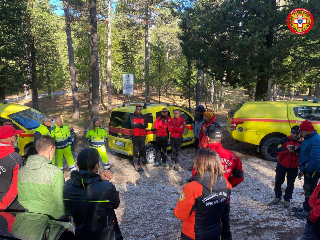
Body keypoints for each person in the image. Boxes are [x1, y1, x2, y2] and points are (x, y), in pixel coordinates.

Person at [63, 148, 122, 240]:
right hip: (104, 236)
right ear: (96, 166)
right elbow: (115, 203)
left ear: (77, 164)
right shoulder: (106, 187)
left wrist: (100, 181)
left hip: (81, 235)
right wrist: (103, 181)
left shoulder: (67, 187)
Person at [174, 148, 231, 240]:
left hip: (193, 234)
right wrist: (226, 232)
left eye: (196, 159)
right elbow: (225, 212)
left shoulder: (192, 188)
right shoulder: (226, 184)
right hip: (215, 232)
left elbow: (181, 214)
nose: (194, 161)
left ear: (201, 164)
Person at [203, 123, 244, 240]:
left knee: (207, 225)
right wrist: (228, 185)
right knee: (225, 222)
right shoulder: (232, 156)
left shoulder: (202, 155)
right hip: (223, 196)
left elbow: (195, 177)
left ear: (208, 138)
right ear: (221, 138)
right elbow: (239, 176)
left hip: (205, 197)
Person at [17, 136, 66, 219]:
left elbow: (21, 199)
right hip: (48, 221)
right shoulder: (55, 172)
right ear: (51, 148)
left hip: (26, 219)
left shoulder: (22, 170)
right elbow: (60, 204)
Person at [269, 125, 302, 208]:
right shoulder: (284, 140)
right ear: (290, 132)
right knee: (278, 181)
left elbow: (304, 154)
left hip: (294, 166)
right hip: (282, 164)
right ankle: (277, 197)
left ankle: (287, 199)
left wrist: (297, 149)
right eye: (293, 133)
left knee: (290, 184)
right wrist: (287, 150)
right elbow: (277, 150)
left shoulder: (302, 142)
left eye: (297, 133)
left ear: (300, 134)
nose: (295, 135)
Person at [293, 120, 320, 218]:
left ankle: (309, 211)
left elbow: (316, 159)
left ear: (308, 131)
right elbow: (308, 151)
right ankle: (306, 207)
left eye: (302, 131)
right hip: (309, 169)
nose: (300, 133)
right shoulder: (309, 138)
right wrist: (298, 149)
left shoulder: (316, 140)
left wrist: (305, 169)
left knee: (310, 190)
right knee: (307, 189)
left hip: (312, 171)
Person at [0, 125, 24, 210]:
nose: (17, 137)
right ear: (10, 138)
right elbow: (16, 186)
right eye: (15, 136)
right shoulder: (15, 157)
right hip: (9, 204)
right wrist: (2, 205)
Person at [130, 104, 148, 172]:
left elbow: (145, 125)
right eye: (138, 109)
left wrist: (138, 125)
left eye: (140, 109)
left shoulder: (144, 117)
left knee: (141, 151)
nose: (139, 110)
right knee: (135, 151)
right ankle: (135, 165)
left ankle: (140, 164)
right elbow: (132, 125)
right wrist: (140, 125)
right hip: (135, 136)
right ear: (136, 109)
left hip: (142, 136)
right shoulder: (132, 116)